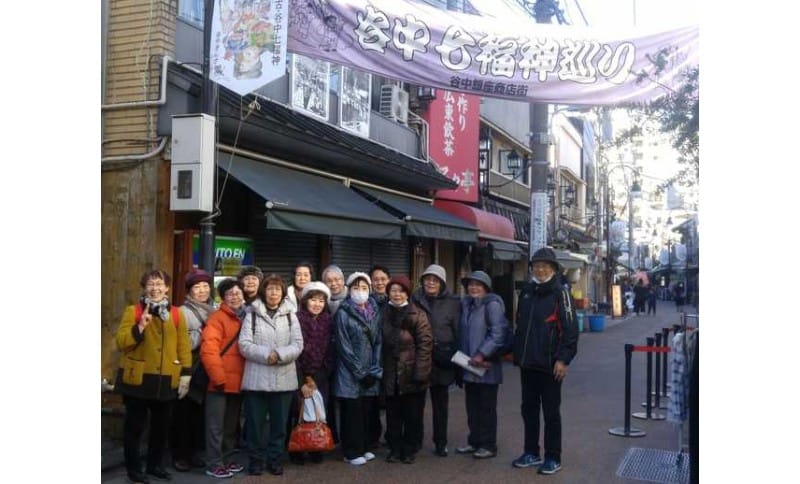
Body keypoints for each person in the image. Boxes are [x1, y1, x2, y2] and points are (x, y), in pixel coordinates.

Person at [115, 269, 192, 484]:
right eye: (150, 284)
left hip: (167, 379)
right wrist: (140, 326)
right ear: (144, 288)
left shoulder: (177, 314)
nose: (155, 288)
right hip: (138, 379)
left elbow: (183, 345)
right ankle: (134, 469)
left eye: (159, 284)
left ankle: (155, 465)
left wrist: (186, 373)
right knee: (134, 428)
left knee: (161, 428)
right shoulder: (134, 311)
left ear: (167, 288)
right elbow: (121, 342)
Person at [511, 248, 579, 475]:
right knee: (528, 410)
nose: (540, 269)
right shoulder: (528, 291)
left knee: (551, 413)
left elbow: (570, 331)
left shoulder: (562, 293)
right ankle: (531, 452)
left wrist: (563, 359)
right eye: (536, 265)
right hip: (528, 363)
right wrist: (517, 353)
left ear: (553, 269)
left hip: (551, 365)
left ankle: (553, 456)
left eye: (545, 266)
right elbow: (520, 324)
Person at [239, 273, 304, 476]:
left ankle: (274, 459)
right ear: (263, 291)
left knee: (279, 425)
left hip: (283, 379)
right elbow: (244, 344)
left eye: (277, 288)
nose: (273, 292)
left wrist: (280, 355)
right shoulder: (251, 315)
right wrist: (268, 355)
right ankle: (255, 460)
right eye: (269, 288)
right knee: (255, 425)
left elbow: (298, 344)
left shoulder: (291, 316)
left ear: (283, 292)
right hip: (256, 379)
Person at [455, 270, 509, 460]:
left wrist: (481, 353)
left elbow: (498, 333)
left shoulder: (492, 304)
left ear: (486, 287)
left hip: (486, 366)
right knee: (472, 406)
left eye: (478, 285)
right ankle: (474, 441)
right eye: (470, 284)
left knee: (486, 407)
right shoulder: (467, 304)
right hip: (468, 366)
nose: (473, 288)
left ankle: (488, 445)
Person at [381, 275, 433, 464]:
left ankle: (409, 449)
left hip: (411, 372)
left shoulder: (417, 314)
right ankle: (394, 448)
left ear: (407, 293)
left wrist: (420, 372)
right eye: (393, 290)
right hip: (390, 371)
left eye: (401, 290)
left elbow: (425, 344)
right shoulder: (383, 312)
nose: (397, 294)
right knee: (393, 414)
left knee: (412, 414)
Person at [410, 264, 460, 457]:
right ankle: (415, 440)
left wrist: (454, 357)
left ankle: (441, 442)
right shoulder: (415, 299)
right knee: (417, 403)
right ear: (422, 281)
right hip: (420, 358)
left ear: (442, 283)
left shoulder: (453, 302)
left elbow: (457, 331)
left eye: (435, 280)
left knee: (441, 405)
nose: (431, 282)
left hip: (442, 359)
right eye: (427, 279)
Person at [333, 272, 383, 466]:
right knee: (351, 413)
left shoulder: (375, 310)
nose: (360, 292)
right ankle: (351, 451)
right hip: (349, 373)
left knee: (366, 412)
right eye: (355, 288)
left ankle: (364, 447)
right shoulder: (343, 312)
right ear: (349, 290)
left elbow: (378, 341)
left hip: (369, 371)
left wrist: (374, 370)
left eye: (364, 288)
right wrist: (360, 373)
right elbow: (343, 347)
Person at [201, 278, 247, 479]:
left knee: (230, 425)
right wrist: (218, 378)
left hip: (239, 382)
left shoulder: (247, 317)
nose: (235, 297)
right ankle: (213, 463)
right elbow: (209, 349)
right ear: (223, 298)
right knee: (215, 426)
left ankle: (227, 458)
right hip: (219, 382)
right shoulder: (217, 318)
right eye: (230, 294)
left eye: (238, 293)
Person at [171, 269, 216, 472]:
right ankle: (180, 455)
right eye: (197, 287)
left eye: (205, 286)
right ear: (189, 291)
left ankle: (196, 452)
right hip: (189, 368)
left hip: (206, 369)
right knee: (183, 414)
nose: (202, 290)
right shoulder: (182, 311)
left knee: (200, 414)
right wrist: (203, 334)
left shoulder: (213, 309)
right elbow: (181, 343)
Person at [288, 281, 335, 465]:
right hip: (298, 374)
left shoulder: (329, 321)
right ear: (305, 301)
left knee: (319, 412)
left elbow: (332, 351)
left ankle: (317, 447)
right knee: (297, 413)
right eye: (313, 300)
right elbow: (293, 351)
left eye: (321, 301)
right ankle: (297, 449)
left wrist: (317, 377)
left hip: (321, 375)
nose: (317, 304)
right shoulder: (295, 319)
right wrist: (305, 380)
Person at [368, 265, 391, 449]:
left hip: (391, 358)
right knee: (372, 400)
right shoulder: (366, 302)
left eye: (383, 279)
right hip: (371, 359)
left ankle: (392, 435)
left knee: (391, 399)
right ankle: (373, 436)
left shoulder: (396, 300)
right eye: (375, 279)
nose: (379, 282)